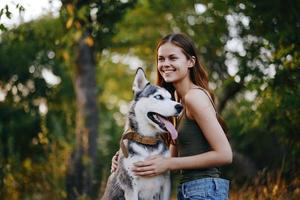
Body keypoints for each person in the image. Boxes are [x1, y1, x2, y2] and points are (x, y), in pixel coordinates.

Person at [111, 33, 232, 200]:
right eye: (161, 59)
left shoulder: (194, 97)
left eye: (172, 58)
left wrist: (168, 163)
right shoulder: (176, 100)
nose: (165, 64)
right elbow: (170, 159)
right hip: (190, 191)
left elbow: (225, 154)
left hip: (205, 191)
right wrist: (125, 161)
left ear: (191, 62)